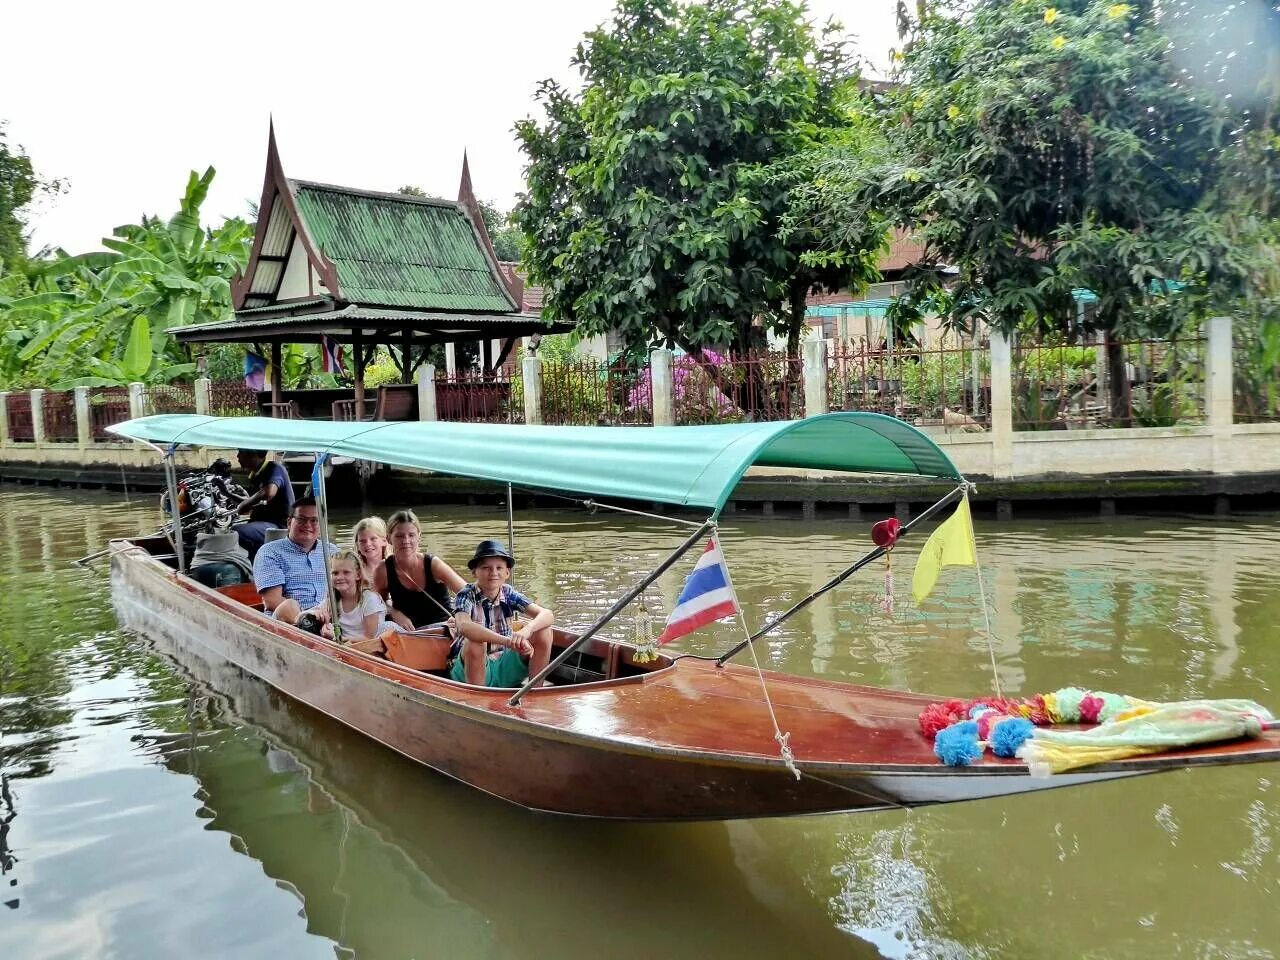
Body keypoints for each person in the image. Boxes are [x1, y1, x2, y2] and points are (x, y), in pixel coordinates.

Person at [449, 539, 554, 688]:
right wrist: (506, 640)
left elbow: (547, 614)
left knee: (544, 629)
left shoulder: (508, 592)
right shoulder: (466, 594)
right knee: (475, 644)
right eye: (486, 567)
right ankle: (478, 703)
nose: (493, 573)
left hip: (504, 665)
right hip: (470, 671)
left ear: (507, 573)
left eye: (499, 568)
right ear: (475, 572)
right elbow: (464, 626)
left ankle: (535, 690)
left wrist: (526, 631)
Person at [252, 496, 336, 629]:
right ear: (289, 522)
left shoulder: (331, 551)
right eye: (301, 519)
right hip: (290, 623)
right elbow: (272, 601)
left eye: (314, 520)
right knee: (289, 605)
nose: (308, 525)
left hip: (330, 618)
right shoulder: (270, 552)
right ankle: (308, 625)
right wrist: (310, 615)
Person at [376, 509, 466, 630]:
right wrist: (394, 612)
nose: (406, 541)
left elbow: (468, 593)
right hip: (409, 633)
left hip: (443, 629)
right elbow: (379, 601)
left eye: (411, 535)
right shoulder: (383, 570)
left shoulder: (433, 564)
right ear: (388, 539)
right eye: (399, 536)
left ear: (419, 536)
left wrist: (459, 617)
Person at [233, 449, 294, 559]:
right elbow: (248, 502)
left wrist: (243, 505)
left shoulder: (275, 468)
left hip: (278, 526)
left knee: (235, 532)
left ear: (252, 454)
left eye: (240, 453)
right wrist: (226, 493)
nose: (237, 457)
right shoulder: (255, 475)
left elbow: (269, 492)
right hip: (263, 522)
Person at [318, 549, 389, 642]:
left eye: (346, 572)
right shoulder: (332, 599)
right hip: (347, 647)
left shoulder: (369, 600)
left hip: (376, 646)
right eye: (335, 573)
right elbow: (309, 612)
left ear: (358, 575)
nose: (339, 577)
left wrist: (337, 637)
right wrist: (318, 613)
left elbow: (369, 639)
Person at [353, 516, 388, 582]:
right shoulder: (354, 572)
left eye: (373, 539)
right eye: (362, 541)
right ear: (357, 545)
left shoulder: (396, 569)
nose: (368, 544)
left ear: (384, 541)